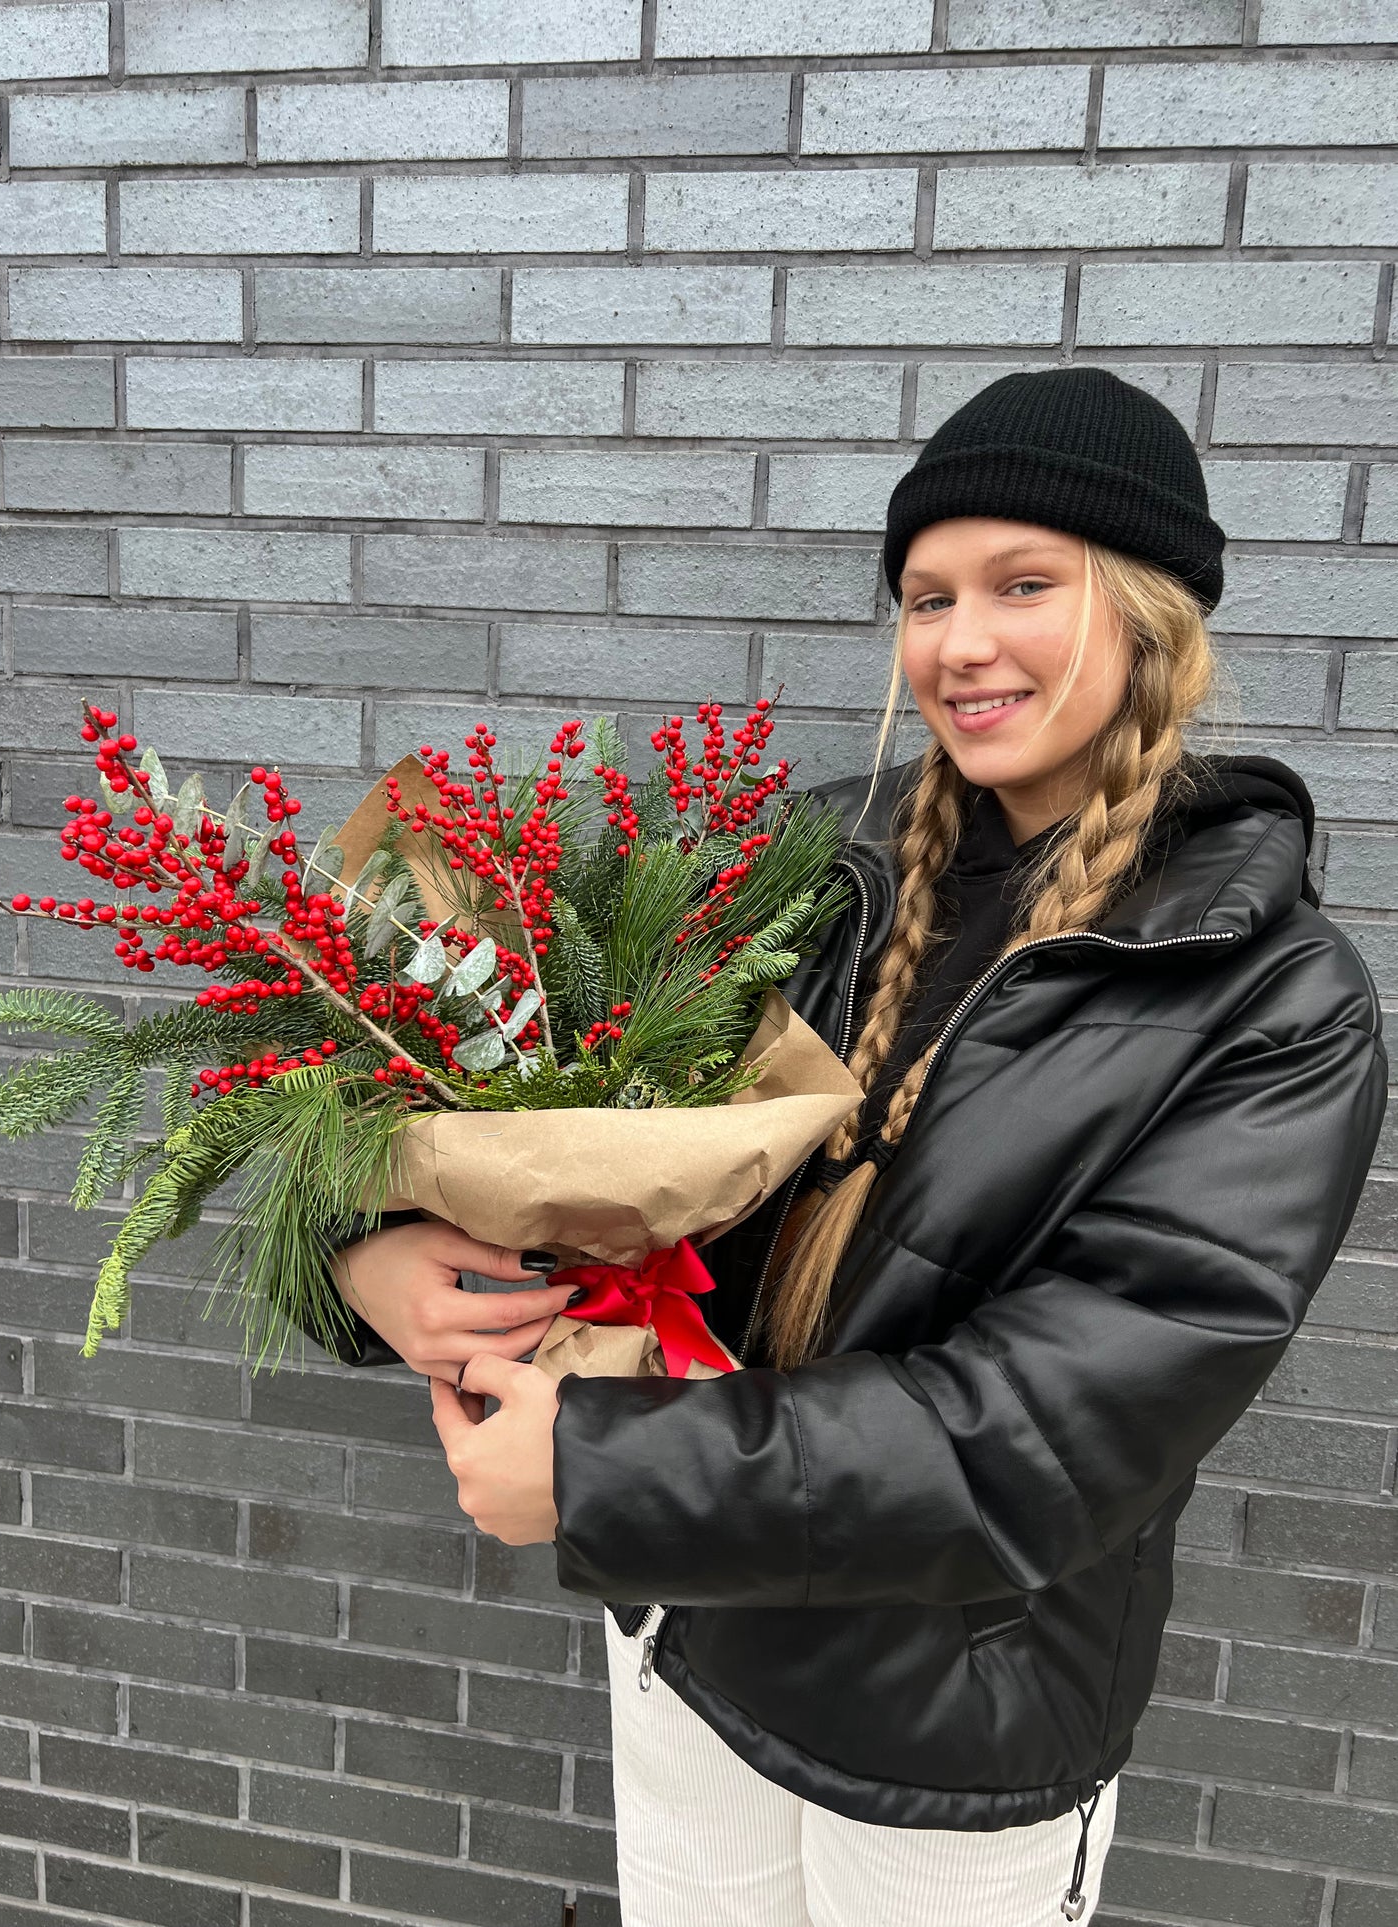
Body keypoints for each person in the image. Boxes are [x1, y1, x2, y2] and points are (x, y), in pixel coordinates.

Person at [324, 368, 1388, 1927]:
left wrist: (596, 1470)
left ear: (1149, 617)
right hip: (687, 1637)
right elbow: (543, 1111)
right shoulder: (803, 871)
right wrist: (372, 1250)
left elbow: (1055, 1425)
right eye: (924, 595)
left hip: (952, 1731)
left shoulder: (1262, 993)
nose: (960, 643)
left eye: (1024, 585)